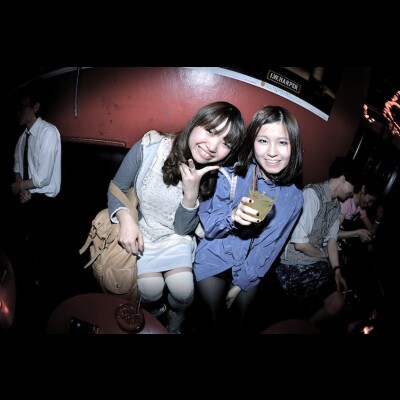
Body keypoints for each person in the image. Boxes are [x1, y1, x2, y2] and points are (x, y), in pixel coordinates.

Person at [108, 101, 245, 334]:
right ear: (195, 123)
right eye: (210, 131)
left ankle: (177, 316)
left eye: (226, 143)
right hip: (145, 230)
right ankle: (156, 312)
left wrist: (191, 194)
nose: (213, 146)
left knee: (183, 291)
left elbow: (182, 229)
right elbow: (116, 188)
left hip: (177, 237)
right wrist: (125, 219)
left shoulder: (218, 176)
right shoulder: (151, 147)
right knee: (150, 290)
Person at [193, 105, 303, 332]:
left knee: (241, 325)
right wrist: (232, 217)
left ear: (293, 146)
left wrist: (241, 283)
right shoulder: (231, 174)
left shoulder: (294, 197)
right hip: (216, 255)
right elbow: (210, 228)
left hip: (251, 265)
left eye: (282, 142)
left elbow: (270, 246)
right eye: (263, 141)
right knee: (212, 321)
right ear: (253, 142)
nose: (272, 152)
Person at [275, 156, 358, 327]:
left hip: (314, 263)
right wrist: (323, 255)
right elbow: (301, 245)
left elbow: (332, 240)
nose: (352, 193)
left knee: (338, 299)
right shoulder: (312, 194)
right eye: (353, 186)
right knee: (333, 300)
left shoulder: (335, 206)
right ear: (343, 179)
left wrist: (336, 271)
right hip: (293, 264)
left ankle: (306, 327)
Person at [11, 86, 61, 259]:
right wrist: (22, 190)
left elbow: (43, 179)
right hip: (27, 198)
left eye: (22, 107)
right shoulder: (22, 138)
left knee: (43, 252)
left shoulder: (48, 132)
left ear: (36, 107)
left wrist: (18, 187)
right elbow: (17, 169)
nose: (18, 112)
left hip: (46, 203)